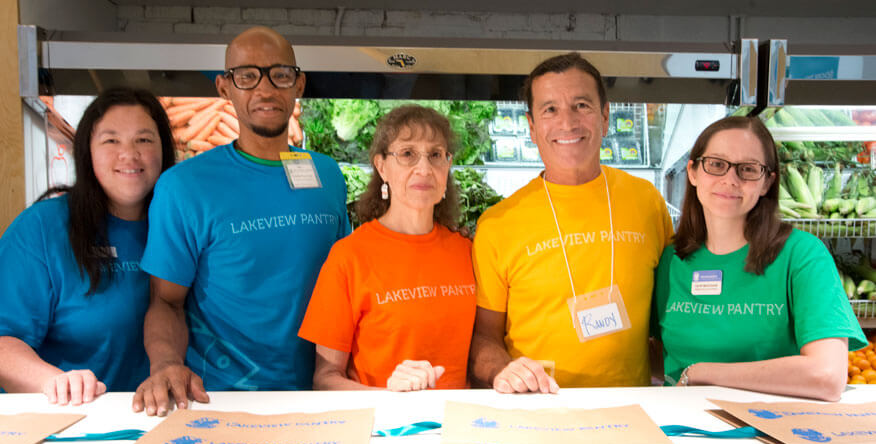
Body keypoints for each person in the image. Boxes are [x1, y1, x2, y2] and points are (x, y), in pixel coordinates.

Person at [132, 26, 350, 416]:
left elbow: (347, 287)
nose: (265, 90)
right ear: (223, 87)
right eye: (247, 76)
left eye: (280, 75)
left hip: (322, 393)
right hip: (221, 399)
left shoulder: (327, 174)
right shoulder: (184, 186)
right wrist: (166, 365)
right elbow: (166, 301)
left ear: (298, 84)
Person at [468, 53, 673, 393]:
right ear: (532, 127)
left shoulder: (647, 201)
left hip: (632, 406)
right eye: (550, 109)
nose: (567, 122)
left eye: (581, 105)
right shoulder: (498, 224)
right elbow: (483, 337)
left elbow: (670, 317)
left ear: (605, 117)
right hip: (535, 409)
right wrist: (503, 371)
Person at [0, 87, 175, 404]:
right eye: (111, 140)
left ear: (164, 150)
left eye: (144, 140)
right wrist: (54, 382)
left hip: (166, 415)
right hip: (73, 419)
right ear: (87, 152)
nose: (129, 154)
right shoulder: (42, 228)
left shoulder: (181, 226)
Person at [652, 116, 866, 401]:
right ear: (693, 172)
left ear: (767, 182)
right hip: (678, 425)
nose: (730, 179)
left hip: (769, 428)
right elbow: (655, 352)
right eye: (716, 164)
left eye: (748, 169)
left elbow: (827, 376)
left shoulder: (802, 255)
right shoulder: (671, 259)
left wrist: (703, 373)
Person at [298, 105, 476, 391]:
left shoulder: (467, 252)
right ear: (382, 167)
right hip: (384, 429)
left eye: (435, 155)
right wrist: (388, 397)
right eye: (407, 154)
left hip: (460, 426)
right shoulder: (348, 257)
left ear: (448, 164)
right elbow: (326, 378)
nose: (424, 168)